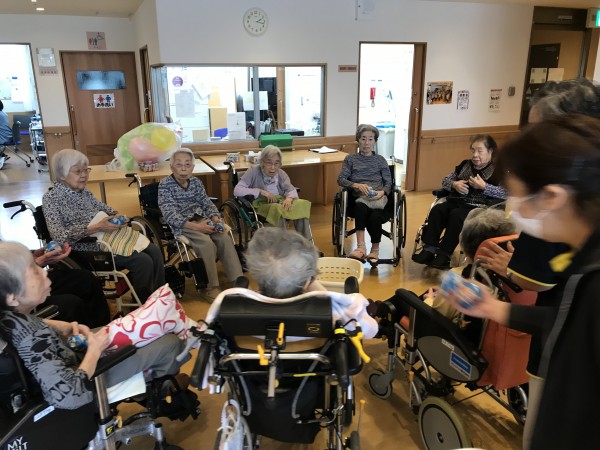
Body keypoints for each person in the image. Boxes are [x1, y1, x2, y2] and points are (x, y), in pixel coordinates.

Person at [439, 114, 600, 449]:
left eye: (517, 194)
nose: (514, 210)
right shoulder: (581, 258)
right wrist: (492, 308)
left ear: (552, 198)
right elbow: (567, 321)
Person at [0, 241, 189, 410]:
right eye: (34, 272)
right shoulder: (31, 339)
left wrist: (60, 326)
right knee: (171, 343)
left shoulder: (10, 317)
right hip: (86, 377)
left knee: (136, 326)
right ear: (12, 297)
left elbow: (29, 328)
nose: (43, 271)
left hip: (70, 357)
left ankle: (149, 385)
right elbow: (69, 395)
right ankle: (155, 394)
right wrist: (94, 351)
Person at [205, 227, 378, 339]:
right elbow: (371, 330)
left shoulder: (230, 307)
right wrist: (313, 285)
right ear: (307, 279)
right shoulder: (332, 309)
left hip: (254, 377)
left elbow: (206, 336)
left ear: (256, 274)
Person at [43, 149, 165, 304]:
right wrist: (96, 228)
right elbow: (59, 236)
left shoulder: (84, 192)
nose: (84, 175)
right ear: (62, 174)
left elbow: (106, 209)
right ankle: (143, 307)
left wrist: (116, 217)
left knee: (154, 251)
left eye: (86, 170)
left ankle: (160, 299)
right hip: (87, 247)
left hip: (109, 237)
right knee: (143, 261)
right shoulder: (51, 199)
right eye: (78, 171)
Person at [158, 148, 243, 301]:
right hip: (184, 225)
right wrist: (197, 227)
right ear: (171, 167)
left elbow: (206, 203)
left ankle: (237, 280)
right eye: (179, 164)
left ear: (192, 167)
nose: (183, 168)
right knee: (206, 243)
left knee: (224, 238)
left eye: (187, 164)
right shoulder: (165, 185)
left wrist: (216, 218)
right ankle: (210, 287)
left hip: (202, 220)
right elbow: (169, 213)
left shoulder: (196, 182)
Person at [412, 134, 507, 270]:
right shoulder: (464, 165)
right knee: (438, 210)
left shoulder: (499, 170)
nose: (475, 155)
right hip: (457, 201)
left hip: (481, 208)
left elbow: (506, 193)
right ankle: (429, 249)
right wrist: (454, 184)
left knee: (456, 215)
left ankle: (445, 255)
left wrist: (484, 187)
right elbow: (445, 181)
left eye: (479, 151)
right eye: (473, 150)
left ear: (490, 151)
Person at [337, 124, 392, 264]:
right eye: (363, 139)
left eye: (370, 139)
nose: (366, 143)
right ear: (358, 140)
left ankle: (375, 251)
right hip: (358, 199)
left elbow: (388, 183)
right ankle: (361, 247)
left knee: (374, 217)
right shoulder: (350, 159)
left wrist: (382, 192)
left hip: (378, 199)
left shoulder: (380, 160)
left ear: (375, 141)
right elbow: (341, 179)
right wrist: (356, 185)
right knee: (360, 208)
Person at [233, 145, 313, 241]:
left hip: (280, 201)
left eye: (276, 163)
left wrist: (289, 198)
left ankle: (306, 242)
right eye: (269, 163)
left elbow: (291, 189)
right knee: (277, 209)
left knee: (301, 204)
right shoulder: (253, 171)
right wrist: (260, 191)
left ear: (280, 164)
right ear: (262, 162)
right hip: (262, 204)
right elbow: (237, 190)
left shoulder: (281, 174)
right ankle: (281, 243)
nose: (273, 167)